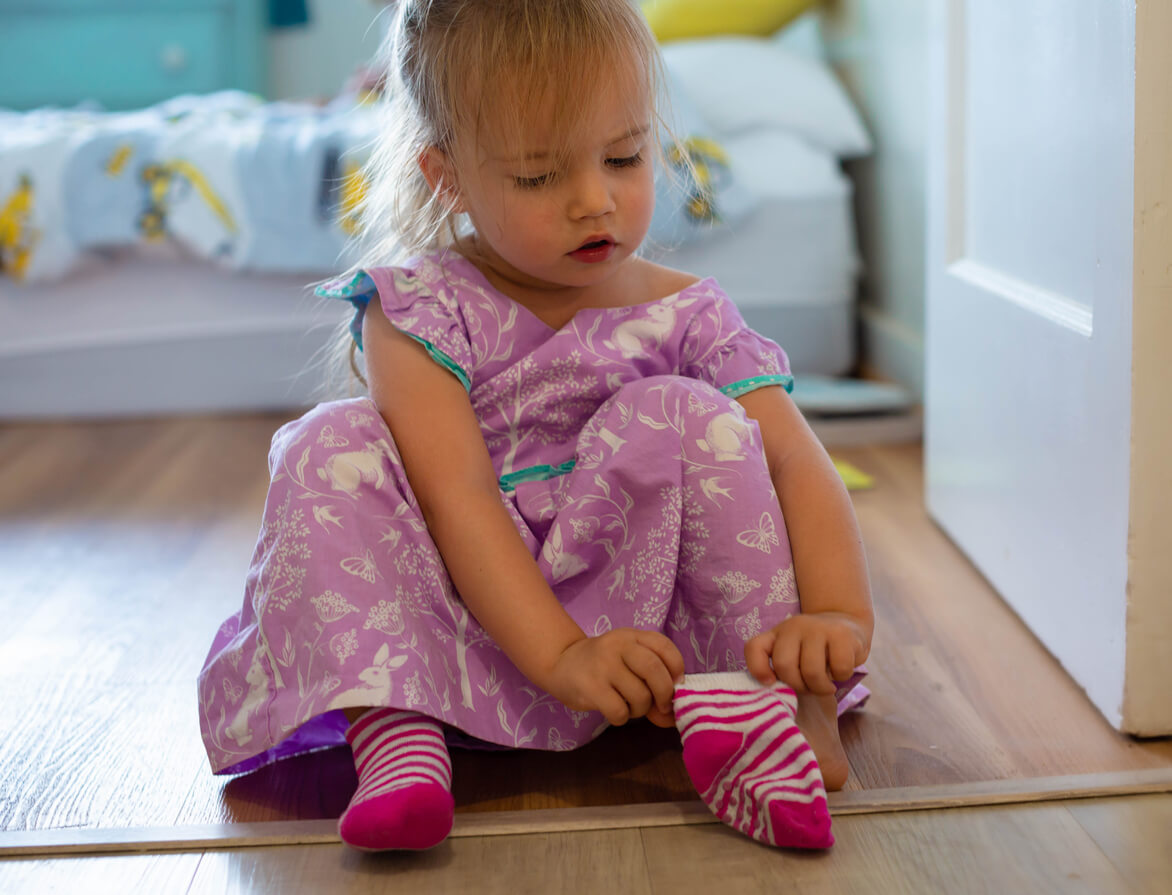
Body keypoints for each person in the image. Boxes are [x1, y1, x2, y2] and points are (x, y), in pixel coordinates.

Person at [198, 0, 873, 854]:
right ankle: (401, 736)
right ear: (446, 175)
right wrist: (560, 659)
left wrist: (842, 618)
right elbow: (459, 500)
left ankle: (754, 704)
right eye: (537, 176)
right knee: (332, 440)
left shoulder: (688, 314)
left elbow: (796, 462)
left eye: (624, 156)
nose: (594, 200)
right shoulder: (417, 310)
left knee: (690, 414)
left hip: (650, 642)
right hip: (467, 621)